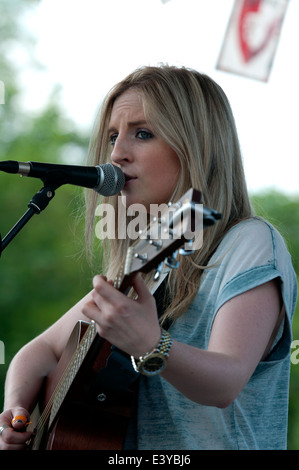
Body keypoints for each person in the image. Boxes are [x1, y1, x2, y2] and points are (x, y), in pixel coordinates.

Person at [0, 65, 297, 450]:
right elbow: (36, 352)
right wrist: (18, 413)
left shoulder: (248, 243)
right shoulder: (142, 267)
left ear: (196, 145)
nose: (117, 154)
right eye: (111, 137)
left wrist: (152, 345)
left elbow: (226, 381)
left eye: (142, 133)